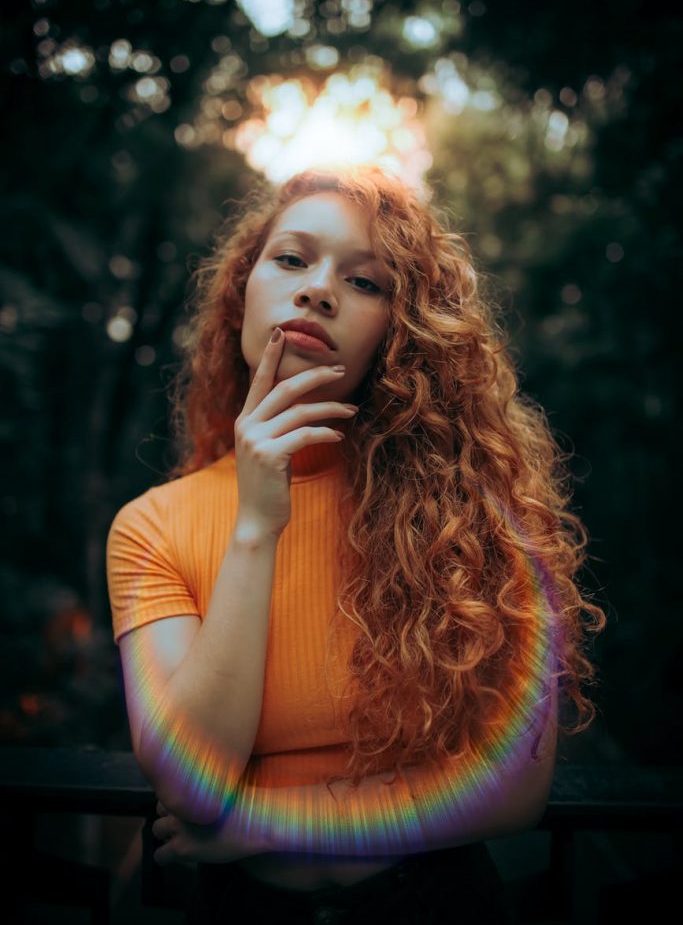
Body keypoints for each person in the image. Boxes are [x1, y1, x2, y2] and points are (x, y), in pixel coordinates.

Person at [106, 165, 606, 924]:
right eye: (291, 259)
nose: (317, 290)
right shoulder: (151, 526)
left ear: (398, 334)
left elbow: (513, 789)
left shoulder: (471, 516)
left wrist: (267, 823)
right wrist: (255, 525)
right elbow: (189, 785)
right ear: (241, 293)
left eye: (365, 282)